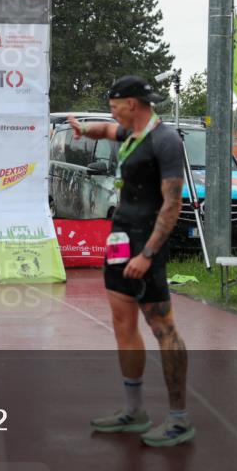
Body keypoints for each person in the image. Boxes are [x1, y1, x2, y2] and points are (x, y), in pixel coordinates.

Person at [68, 75, 194, 447]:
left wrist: (148, 254)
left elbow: (173, 204)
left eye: (114, 105)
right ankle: (134, 411)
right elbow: (107, 130)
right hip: (120, 237)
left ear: (133, 104)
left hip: (146, 243)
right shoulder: (131, 134)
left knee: (162, 327)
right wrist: (82, 128)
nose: (112, 113)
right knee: (122, 322)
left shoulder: (164, 140)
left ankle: (179, 418)